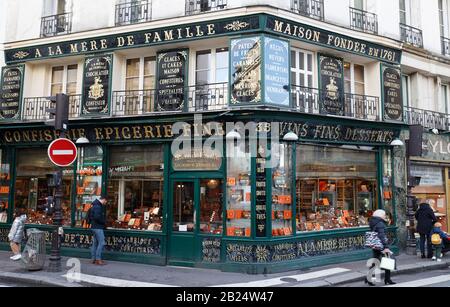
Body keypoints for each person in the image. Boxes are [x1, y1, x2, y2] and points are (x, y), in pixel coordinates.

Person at [365, 209, 396, 286]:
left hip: (375, 245)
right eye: (384, 215)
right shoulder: (380, 223)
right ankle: (387, 279)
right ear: (380, 215)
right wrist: (386, 247)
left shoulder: (373, 222)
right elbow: (381, 236)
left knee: (376, 262)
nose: (385, 216)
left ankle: (369, 278)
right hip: (381, 245)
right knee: (387, 260)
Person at [90, 195, 108, 266]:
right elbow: (97, 217)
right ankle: (98, 259)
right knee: (101, 242)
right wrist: (103, 222)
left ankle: (93, 259)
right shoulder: (98, 206)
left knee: (95, 243)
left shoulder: (94, 205)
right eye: (106, 201)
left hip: (94, 227)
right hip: (98, 227)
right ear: (104, 200)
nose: (105, 203)